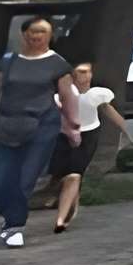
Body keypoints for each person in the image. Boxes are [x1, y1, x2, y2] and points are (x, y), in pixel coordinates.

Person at [0, 15, 83, 249]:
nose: (37, 36)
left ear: (50, 36)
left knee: (24, 178)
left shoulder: (57, 64)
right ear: (24, 35)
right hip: (6, 125)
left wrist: (73, 124)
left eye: (42, 32)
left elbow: (67, 96)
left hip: (42, 127)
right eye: (33, 32)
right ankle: (8, 216)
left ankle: (15, 226)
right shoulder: (8, 61)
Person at [47, 57, 123, 235]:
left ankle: (61, 219)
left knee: (75, 174)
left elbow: (109, 111)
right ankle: (70, 202)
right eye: (81, 71)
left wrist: (127, 130)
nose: (86, 75)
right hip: (64, 137)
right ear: (72, 74)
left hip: (89, 136)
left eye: (88, 71)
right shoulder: (60, 95)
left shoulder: (97, 94)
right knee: (64, 175)